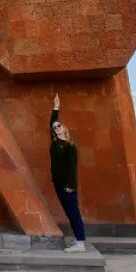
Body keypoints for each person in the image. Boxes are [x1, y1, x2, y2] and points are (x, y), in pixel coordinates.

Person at [49, 93, 87, 253]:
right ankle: (78, 240)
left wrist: (71, 185)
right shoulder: (55, 143)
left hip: (67, 185)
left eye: (59, 126)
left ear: (64, 128)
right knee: (68, 212)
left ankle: (81, 242)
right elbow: (51, 122)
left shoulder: (69, 145)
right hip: (58, 184)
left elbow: (73, 167)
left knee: (73, 212)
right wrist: (56, 107)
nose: (56, 128)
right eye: (54, 127)